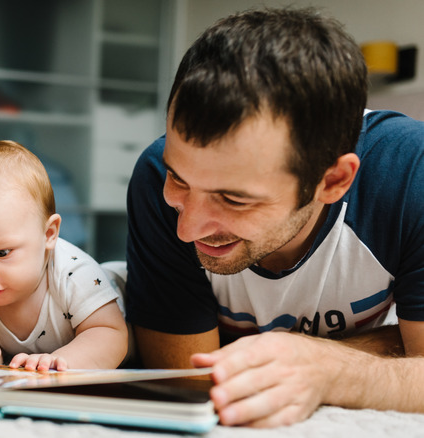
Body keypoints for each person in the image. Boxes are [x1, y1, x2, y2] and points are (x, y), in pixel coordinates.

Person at [125, 7, 424, 428]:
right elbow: (196, 381)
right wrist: (384, 346)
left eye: (233, 199)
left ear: (333, 181)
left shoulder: (411, 173)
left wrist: (328, 368)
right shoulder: (153, 175)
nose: (187, 228)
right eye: (180, 178)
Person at [0, 140, 128, 371]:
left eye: (2, 253)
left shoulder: (76, 277)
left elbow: (112, 336)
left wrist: (62, 360)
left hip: (132, 290)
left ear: (48, 234)